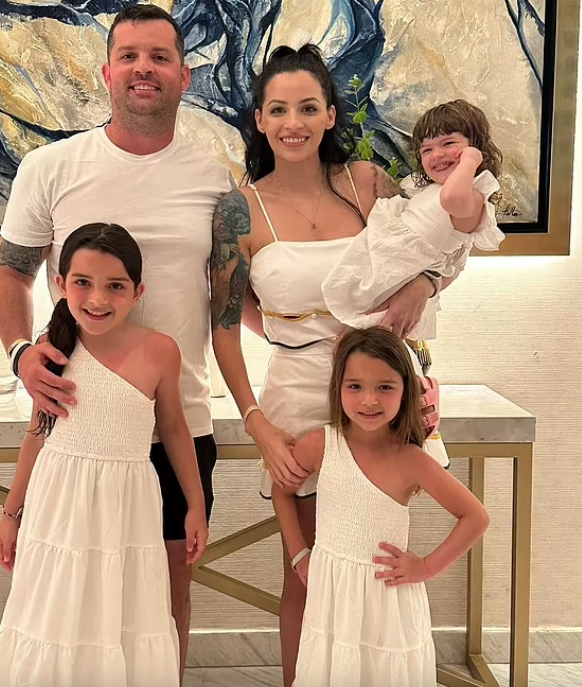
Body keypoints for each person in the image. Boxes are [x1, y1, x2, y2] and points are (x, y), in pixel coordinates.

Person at [0, 5, 232, 672]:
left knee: (164, 598)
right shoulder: (51, 166)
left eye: (158, 56)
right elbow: (11, 272)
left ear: (184, 76)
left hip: (178, 419)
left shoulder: (217, 178)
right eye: (128, 55)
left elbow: (235, 301)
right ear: (106, 72)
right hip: (75, 424)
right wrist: (20, 354)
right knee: (66, 592)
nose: (142, 68)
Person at [210, 44, 452, 687]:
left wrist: (423, 285)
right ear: (259, 119)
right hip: (297, 395)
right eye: (278, 109)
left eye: (308, 107)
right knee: (309, 571)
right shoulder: (239, 209)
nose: (293, 122)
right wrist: (256, 421)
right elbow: (226, 325)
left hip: (382, 391)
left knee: (375, 561)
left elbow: (445, 243)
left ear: (329, 115)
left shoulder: (367, 183)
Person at [0, 223, 208, 687]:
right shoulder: (52, 350)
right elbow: (37, 433)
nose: (97, 298)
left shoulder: (160, 352)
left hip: (127, 506)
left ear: (138, 291)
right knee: (56, 610)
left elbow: (174, 429)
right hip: (58, 505)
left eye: (115, 286)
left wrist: (196, 505)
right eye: (83, 282)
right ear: (60, 284)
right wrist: (11, 514)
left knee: (122, 609)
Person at [272, 327, 490, 686]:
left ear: (405, 390)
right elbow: (282, 490)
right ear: (338, 387)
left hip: (387, 604)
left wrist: (427, 566)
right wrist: (299, 554)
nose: (369, 400)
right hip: (333, 600)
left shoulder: (411, 460)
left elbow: (475, 517)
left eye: (385, 387)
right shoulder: (321, 444)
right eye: (355, 386)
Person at [322, 99, 505, 339]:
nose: (437, 154)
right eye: (426, 150)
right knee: (356, 312)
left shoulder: (473, 197)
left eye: (448, 143)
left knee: (371, 324)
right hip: (392, 259)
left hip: (406, 270)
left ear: (477, 147)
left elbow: (451, 199)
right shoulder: (430, 190)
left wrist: (470, 160)